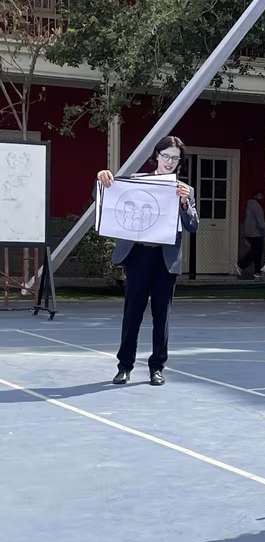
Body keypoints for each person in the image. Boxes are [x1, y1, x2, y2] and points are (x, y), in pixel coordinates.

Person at [96, 136, 199, 386]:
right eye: (166, 156)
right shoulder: (137, 181)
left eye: (175, 158)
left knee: (162, 316)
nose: (170, 162)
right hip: (138, 255)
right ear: (156, 156)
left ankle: (157, 368)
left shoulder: (185, 190)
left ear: (180, 162)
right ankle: (124, 366)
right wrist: (102, 178)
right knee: (132, 313)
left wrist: (185, 204)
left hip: (166, 258)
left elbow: (193, 225)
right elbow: (108, 196)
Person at [236, 189, 265, 278]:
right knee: (257, 253)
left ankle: (242, 266)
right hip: (256, 233)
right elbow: (260, 221)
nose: (261, 197)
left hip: (249, 232)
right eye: (260, 196)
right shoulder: (257, 207)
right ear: (256, 196)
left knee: (254, 252)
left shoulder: (250, 205)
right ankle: (255, 271)